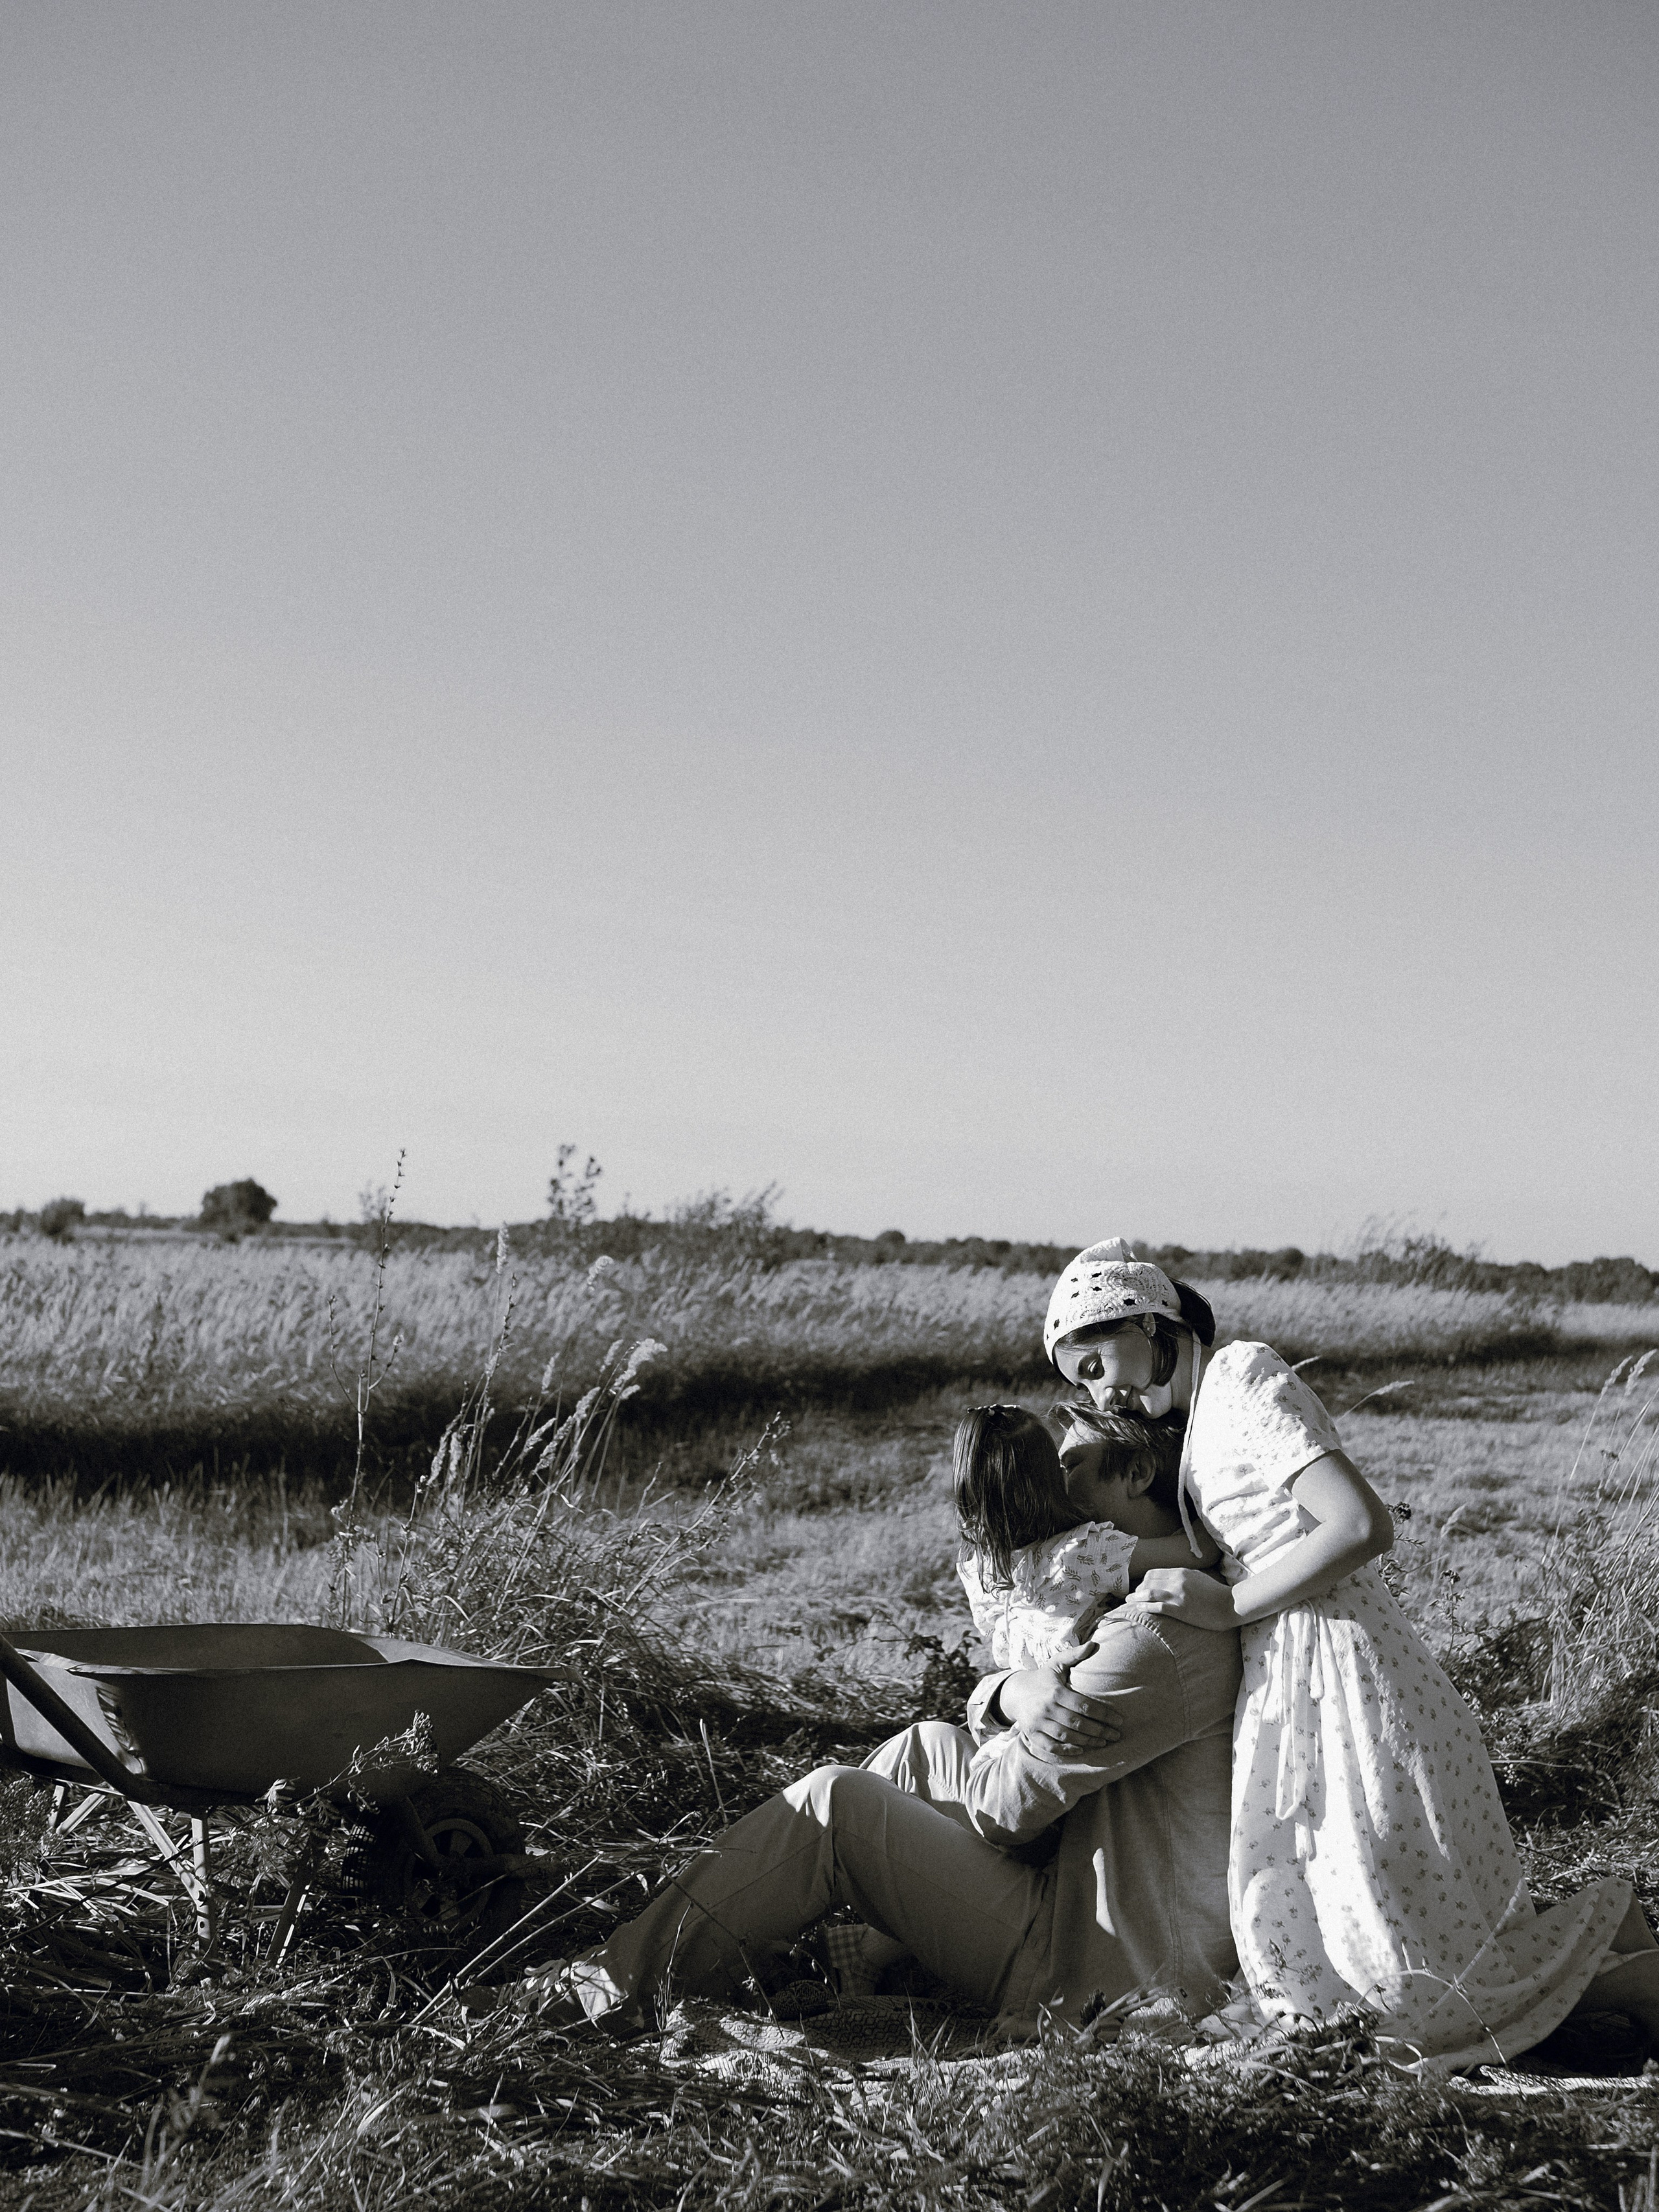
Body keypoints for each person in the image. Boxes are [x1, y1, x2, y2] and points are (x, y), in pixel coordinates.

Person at [1041, 1237, 1659, 2069]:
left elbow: (1361, 1523)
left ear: (1148, 1322)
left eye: (1094, 1363)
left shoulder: (1241, 1375)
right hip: (1292, 1672)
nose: (1097, 1389)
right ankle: (1612, 1949)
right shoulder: (1197, 1417)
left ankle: (1633, 1979)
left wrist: (1229, 1605)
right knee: (1359, 1938)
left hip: (1346, 1668)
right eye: (1078, 1380)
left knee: (1398, 1977)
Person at [526, 1421, 1244, 2037]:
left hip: (1084, 1965)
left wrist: (998, 1703)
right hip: (1079, 1899)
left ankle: (597, 1994)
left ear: (1137, 1473)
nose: (1051, 1481)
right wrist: (1004, 1692)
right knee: (922, 1746)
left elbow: (1002, 1811)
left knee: (834, 1804)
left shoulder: (1150, 1635)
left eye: (1070, 1462)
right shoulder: (1149, 1605)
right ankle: (795, 1942)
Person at [953, 1401, 1218, 1670]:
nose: (1064, 1484)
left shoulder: (980, 1569)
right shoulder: (1081, 1552)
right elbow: (1199, 1550)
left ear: (1137, 1473)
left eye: (1070, 1466)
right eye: (1056, 1471)